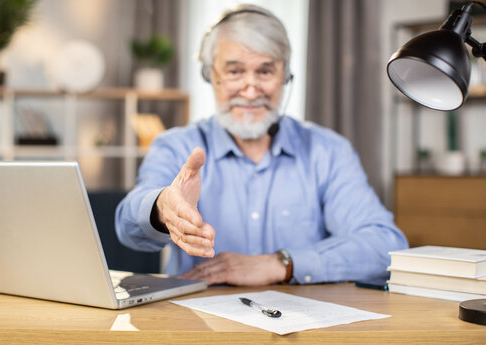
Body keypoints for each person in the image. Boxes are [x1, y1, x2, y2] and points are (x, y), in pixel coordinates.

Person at [115, 4, 408, 289]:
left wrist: (281, 264)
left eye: (265, 71)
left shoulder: (328, 151)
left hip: (301, 329)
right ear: (210, 75)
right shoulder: (175, 146)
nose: (251, 89)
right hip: (199, 328)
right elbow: (127, 227)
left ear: (286, 77)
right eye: (234, 72)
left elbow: (385, 245)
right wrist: (161, 207)